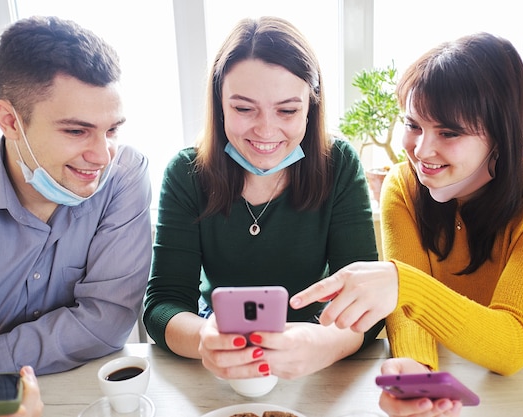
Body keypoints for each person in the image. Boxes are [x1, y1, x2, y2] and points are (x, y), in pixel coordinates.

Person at [291, 32, 523, 416]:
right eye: (413, 125)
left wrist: (402, 283)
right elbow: (410, 317)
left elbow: (512, 346)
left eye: (449, 132)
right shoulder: (403, 185)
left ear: (500, 133)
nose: (421, 151)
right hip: (460, 382)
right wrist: (417, 372)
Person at [143, 16, 384, 380]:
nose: (266, 131)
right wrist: (206, 339)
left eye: (287, 110)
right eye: (243, 109)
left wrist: (322, 343)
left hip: (318, 346)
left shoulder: (338, 165)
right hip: (221, 352)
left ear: (310, 107)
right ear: (219, 104)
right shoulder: (186, 173)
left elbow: (364, 304)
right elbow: (163, 303)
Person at [0, 16, 152, 375]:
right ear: (10, 121)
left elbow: (107, 322)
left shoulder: (124, 173)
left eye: (112, 129)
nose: (103, 155)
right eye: (77, 131)